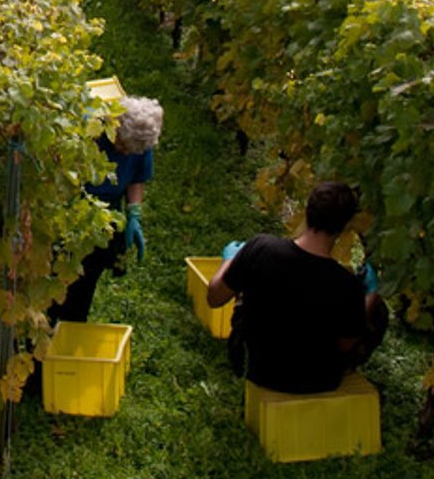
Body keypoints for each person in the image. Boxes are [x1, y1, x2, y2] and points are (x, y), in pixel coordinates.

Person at [206, 180, 388, 394]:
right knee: (379, 312)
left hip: (251, 366)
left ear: (307, 210)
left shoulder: (262, 248)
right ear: (344, 226)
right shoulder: (346, 285)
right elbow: (346, 344)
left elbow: (214, 297)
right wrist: (371, 296)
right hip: (317, 381)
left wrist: (230, 260)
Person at [49, 95, 163, 326]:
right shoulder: (87, 133)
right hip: (71, 210)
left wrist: (134, 213)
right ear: (115, 128)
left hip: (104, 215)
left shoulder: (139, 141)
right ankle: (48, 323)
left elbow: (137, 177)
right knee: (58, 272)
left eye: (132, 151)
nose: (125, 154)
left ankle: (74, 324)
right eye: (122, 147)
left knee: (87, 277)